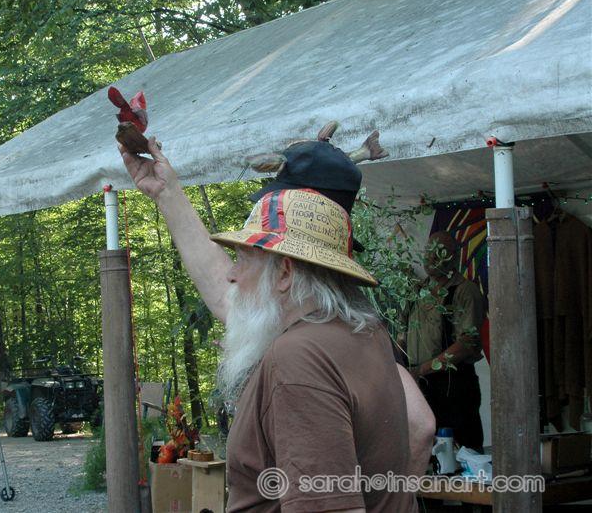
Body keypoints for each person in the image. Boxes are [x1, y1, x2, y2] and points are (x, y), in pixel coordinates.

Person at [121, 137, 434, 512]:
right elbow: (418, 428)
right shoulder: (362, 331)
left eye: (243, 258)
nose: (232, 275)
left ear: (286, 272)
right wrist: (168, 193)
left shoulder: (299, 356)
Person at [404, 231, 484, 452]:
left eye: (438, 252)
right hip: (421, 384)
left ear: (453, 256)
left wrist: (421, 370)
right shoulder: (417, 290)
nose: (431, 257)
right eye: (428, 251)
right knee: (424, 452)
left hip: (454, 384)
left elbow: (466, 344)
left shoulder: (464, 291)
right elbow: (402, 333)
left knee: (462, 451)